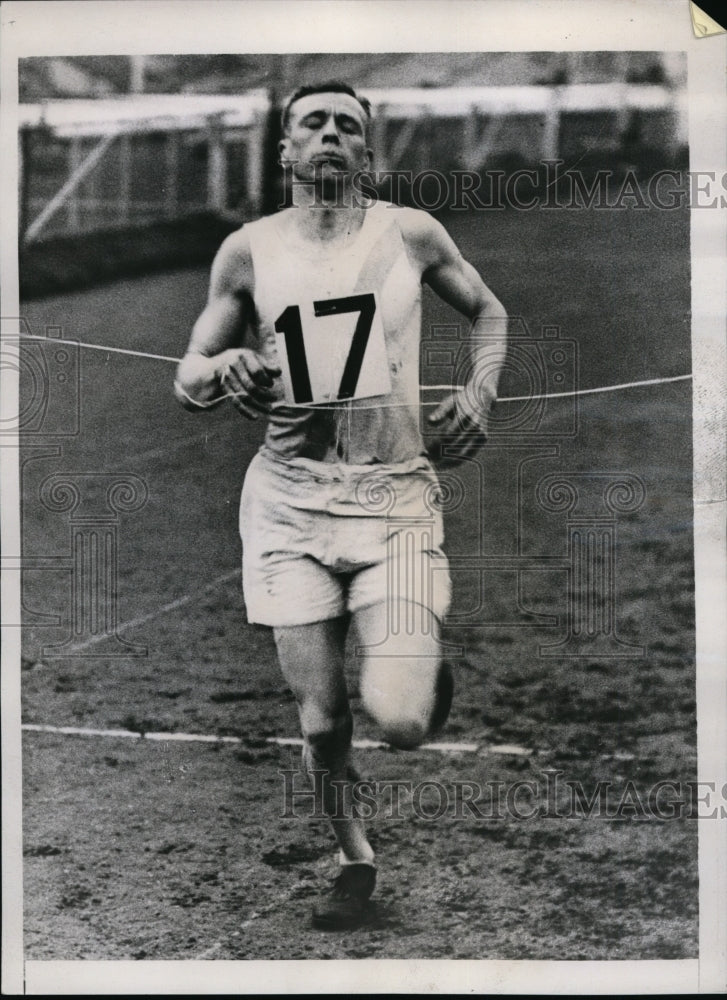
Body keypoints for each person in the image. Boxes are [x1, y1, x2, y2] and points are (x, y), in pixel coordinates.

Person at [174, 82, 507, 930]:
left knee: (396, 721)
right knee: (321, 724)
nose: (330, 135)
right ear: (283, 151)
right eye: (312, 123)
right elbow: (189, 374)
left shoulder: (411, 234)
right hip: (288, 506)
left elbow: (487, 311)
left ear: (368, 153)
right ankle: (354, 858)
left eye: (347, 126)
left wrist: (479, 390)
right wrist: (224, 372)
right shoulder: (246, 252)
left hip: (393, 499)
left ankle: (416, 671)